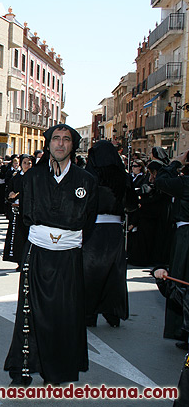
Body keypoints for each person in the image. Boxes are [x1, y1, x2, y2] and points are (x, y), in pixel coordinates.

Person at [4, 124, 98, 386]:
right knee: (29, 312)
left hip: (68, 256)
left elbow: (89, 222)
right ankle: (23, 369)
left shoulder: (87, 181)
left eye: (66, 139)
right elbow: (25, 218)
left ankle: (57, 371)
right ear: (48, 144)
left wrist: (66, 240)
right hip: (37, 254)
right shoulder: (32, 177)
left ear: (73, 145)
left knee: (64, 313)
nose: (60, 144)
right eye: (55, 139)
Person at [82, 140, 132, 328]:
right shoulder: (123, 177)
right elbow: (132, 205)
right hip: (115, 232)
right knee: (115, 273)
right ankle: (113, 314)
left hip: (93, 230)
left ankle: (88, 315)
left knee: (90, 273)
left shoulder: (88, 176)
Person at [153, 150, 189, 349]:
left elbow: (161, 181)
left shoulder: (185, 183)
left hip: (185, 237)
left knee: (180, 282)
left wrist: (174, 163)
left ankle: (183, 329)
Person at [3, 154, 33, 270]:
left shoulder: (35, 178)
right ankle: (20, 260)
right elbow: (8, 194)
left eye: (29, 163)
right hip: (18, 212)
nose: (27, 165)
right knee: (18, 237)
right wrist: (10, 196)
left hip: (30, 212)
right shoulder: (16, 178)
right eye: (25, 163)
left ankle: (29, 261)